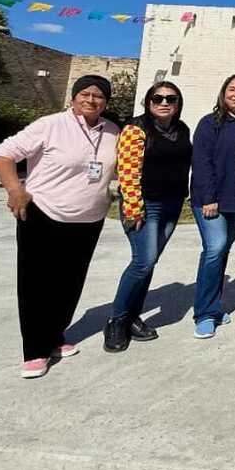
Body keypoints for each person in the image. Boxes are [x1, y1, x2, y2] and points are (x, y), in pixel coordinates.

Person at [0, 75, 121, 379]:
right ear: (74, 97)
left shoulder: (112, 131)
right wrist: (15, 189)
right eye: (85, 94)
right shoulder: (49, 125)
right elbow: (3, 154)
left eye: (99, 96)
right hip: (44, 215)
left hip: (88, 220)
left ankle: (54, 337)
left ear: (106, 102)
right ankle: (34, 351)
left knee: (70, 283)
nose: (91, 100)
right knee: (37, 285)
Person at [103, 81, 193, 352]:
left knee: (149, 263)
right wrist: (133, 207)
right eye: (158, 98)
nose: (164, 103)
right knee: (143, 261)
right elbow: (127, 172)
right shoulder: (136, 128)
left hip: (172, 203)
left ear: (178, 103)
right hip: (146, 205)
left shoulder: (181, 129)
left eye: (171, 99)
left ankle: (132, 316)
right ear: (148, 101)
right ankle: (116, 320)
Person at [189, 74, 235, 339]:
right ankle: (205, 313)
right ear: (223, 93)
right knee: (215, 248)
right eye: (232, 89)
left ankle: (214, 304)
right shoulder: (210, 123)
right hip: (211, 200)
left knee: (221, 251)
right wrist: (209, 198)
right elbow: (201, 162)